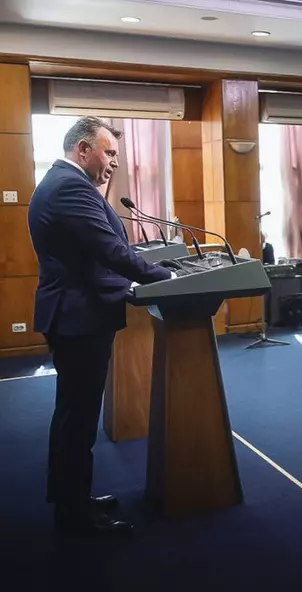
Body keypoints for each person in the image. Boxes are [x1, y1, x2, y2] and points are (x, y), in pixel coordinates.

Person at [28, 117, 175, 536]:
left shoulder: (65, 184)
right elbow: (109, 249)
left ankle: (71, 499)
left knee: (72, 415)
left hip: (76, 315)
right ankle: (74, 516)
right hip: (77, 319)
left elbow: (96, 251)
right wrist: (166, 278)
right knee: (77, 418)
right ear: (83, 150)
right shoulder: (71, 186)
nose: (113, 162)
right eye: (109, 153)